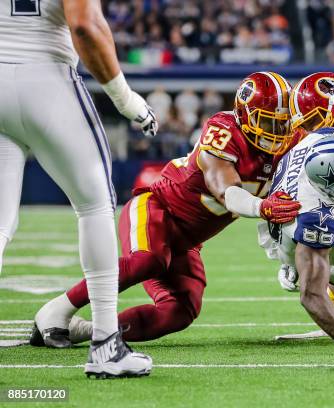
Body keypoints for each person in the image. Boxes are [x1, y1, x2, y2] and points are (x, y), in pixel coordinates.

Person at [32, 72, 300, 346]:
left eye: (283, 124)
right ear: (244, 115)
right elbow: (226, 191)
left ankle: (89, 331)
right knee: (148, 259)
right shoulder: (223, 129)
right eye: (267, 123)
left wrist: (289, 258)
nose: (276, 133)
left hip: (187, 241)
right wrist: (262, 206)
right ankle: (56, 310)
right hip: (157, 207)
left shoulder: (293, 144)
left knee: (180, 311)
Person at [0, 0, 157, 378]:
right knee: (95, 206)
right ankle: (106, 345)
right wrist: (126, 99)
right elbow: (85, 25)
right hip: (46, 78)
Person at [259, 127, 334, 357]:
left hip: (292, 217)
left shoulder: (323, 137)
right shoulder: (317, 221)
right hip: (302, 239)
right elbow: (311, 296)